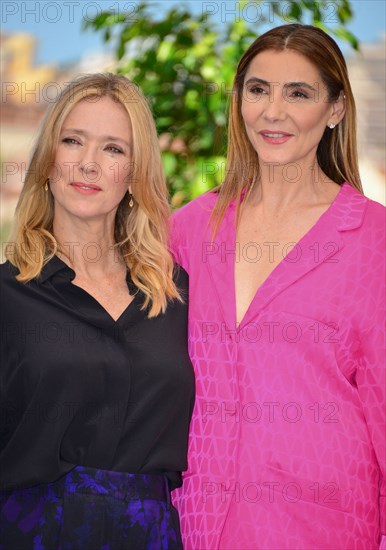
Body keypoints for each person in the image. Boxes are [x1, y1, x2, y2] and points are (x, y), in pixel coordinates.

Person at [171, 24, 385, 549]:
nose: (273, 112)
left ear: (335, 109)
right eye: (258, 89)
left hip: (326, 528)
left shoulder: (374, 239)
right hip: (196, 523)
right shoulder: (189, 228)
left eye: (299, 93)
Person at [0, 73, 194, 549]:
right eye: (73, 141)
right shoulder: (6, 295)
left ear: (134, 173)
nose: (88, 164)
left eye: (113, 149)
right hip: (31, 532)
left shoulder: (174, 294)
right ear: (48, 162)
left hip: (151, 535)